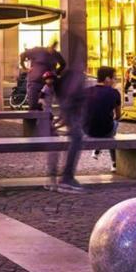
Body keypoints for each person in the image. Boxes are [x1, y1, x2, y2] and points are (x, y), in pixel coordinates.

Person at [47, 61, 87, 193]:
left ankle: (56, 177)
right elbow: (71, 96)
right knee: (76, 138)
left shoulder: (71, 73)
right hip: (71, 110)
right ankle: (66, 178)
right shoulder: (75, 73)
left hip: (70, 109)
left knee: (73, 138)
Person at [85, 66, 122, 173]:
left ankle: (97, 150)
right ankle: (114, 162)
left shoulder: (85, 92)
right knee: (113, 126)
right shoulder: (114, 93)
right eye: (114, 78)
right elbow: (118, 115)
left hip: (87, 130)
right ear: (107, 79)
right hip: (106, 130)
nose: (115, 81)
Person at [23, 40, 66, 110]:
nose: (52, 50)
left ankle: (45, 118)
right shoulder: (37, 50)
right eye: (52, 47)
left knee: (45, 105)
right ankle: (31, 119)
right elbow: (23, 55)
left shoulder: (56, 54)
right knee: (33, 105)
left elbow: (63, 64)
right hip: (34, 82)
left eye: (54, 48)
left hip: (47, 84)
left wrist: (55, 73)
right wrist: (25, 68)